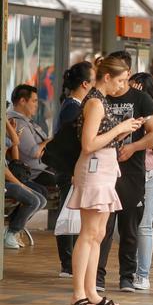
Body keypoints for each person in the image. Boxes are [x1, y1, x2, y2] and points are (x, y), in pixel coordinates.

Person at [67, 56, 142, 305]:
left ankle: (92, 291)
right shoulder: (96, 103)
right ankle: (79, 292)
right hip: (95, 167)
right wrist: (118, 128)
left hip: (105, 167)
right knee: (89, 233)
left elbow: (100, 139)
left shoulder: (101, 101)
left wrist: (122, 131)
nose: (121, 86)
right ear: (107, 77)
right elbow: (88, 144)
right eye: (119, 81)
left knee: (98, 234)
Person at [96, 51, 153, 293]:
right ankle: (98, 276)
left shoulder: (142, 99)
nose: (122, 84)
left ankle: (127, 276)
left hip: (132, 171)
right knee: (103, 226)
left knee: (130, 226)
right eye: (119, 79)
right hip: (103, 170)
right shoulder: (100, 98)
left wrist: (133, 147)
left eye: (125, 79)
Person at [126, 73, 153, 291]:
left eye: (131, 85)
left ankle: (142, 274)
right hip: (130, 173)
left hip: (151, 173)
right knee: (127, 225)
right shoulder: (128, 111)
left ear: (140, 87)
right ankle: (130, 271)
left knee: (143, 225)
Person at [55, 61, 96, 277]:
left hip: (71, 168)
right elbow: (72, 142)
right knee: (67, 213)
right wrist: (73, 171)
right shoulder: (72, 107)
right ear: (85, 83)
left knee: (71, 212)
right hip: (69, 170)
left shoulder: (73, 104)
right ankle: (67, 263)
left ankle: (70, 262)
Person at [4, 120, 47, 249]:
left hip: (8, 180)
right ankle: (12, 232)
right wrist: (21, 185)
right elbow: (4, 171)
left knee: (41, 200)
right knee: (33, 200)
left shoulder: (4, 138)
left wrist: (9, 127)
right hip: (6, 182)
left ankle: (12, 228)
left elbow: (15, 143)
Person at [8, 85, 56, 187]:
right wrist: (49, 141)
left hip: (44, 167)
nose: (36, 105)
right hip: (36, 173)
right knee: (65, 178)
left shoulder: (26, 120)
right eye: (34, 101)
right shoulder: (17, 122)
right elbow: (34, 152)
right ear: (22, 101)